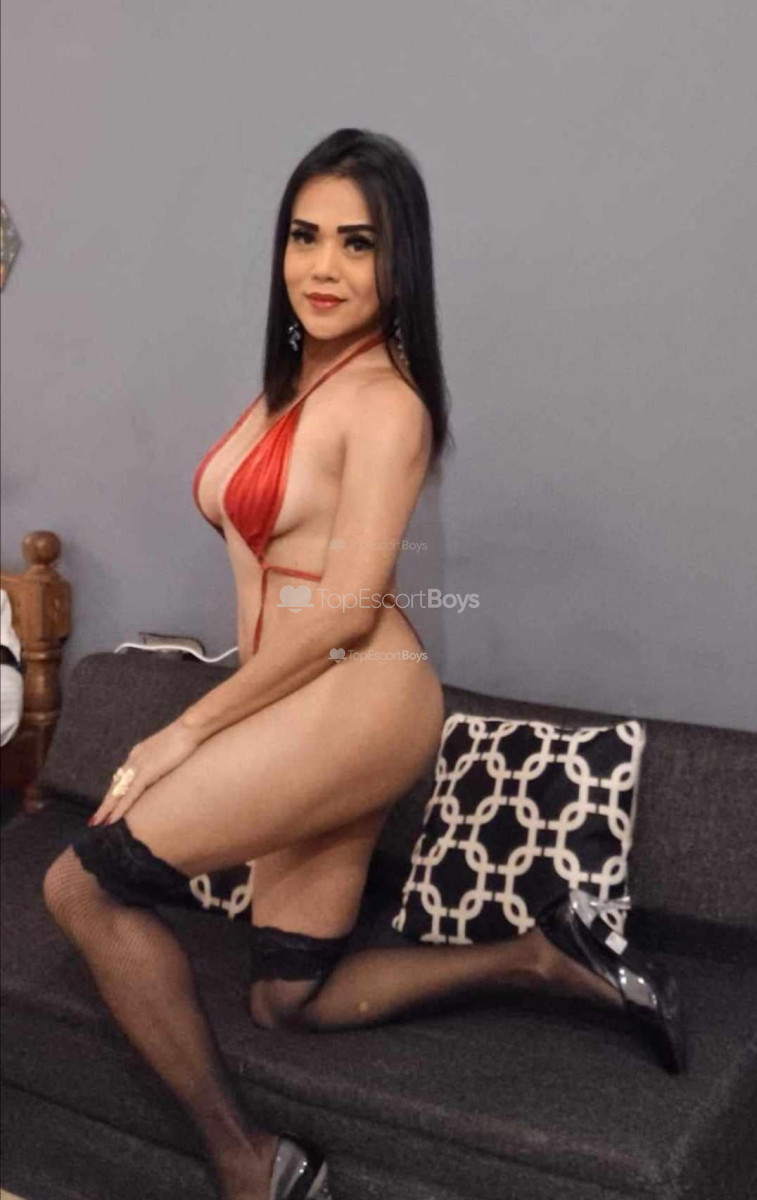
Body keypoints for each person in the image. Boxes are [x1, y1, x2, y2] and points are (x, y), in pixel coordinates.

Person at [42, 129, 683, 1200]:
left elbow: (342, 611)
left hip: (359, 697)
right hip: (305, 703)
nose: (323, 266)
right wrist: (239, 721)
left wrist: (187, 730)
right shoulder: (294, 382)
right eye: (305, 237)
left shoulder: (388, 404)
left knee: (80, 885)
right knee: (285, 998)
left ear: (401, 263)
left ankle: (250, 1164)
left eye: (358, 243)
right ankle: (541, 955)